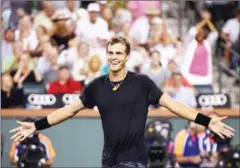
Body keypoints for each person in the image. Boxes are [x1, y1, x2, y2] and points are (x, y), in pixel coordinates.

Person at [10, 36, 234, 168]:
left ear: (127, 56)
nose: (114, 56)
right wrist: (36, 125)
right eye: (110, 52)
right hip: (109, 160)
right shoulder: (97, 86)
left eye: (119, 52)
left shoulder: (142, 83)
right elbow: (69, 110)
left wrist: (207, 121)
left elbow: (174, 105)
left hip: (135, 160)